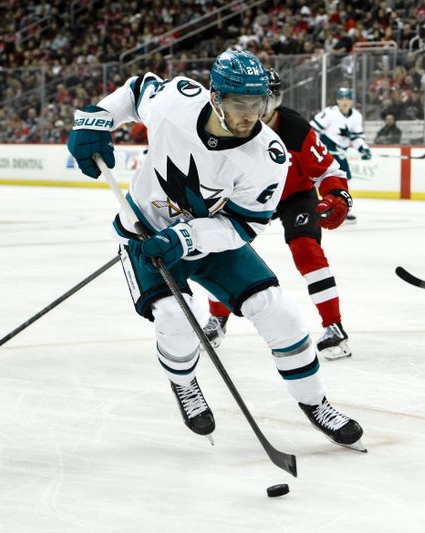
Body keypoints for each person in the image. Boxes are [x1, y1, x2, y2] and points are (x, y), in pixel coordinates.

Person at [66, 50, 364, 450]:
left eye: (257, 105)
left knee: (281, 314)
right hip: (144, 232)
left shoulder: (268, 155)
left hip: (211, 236)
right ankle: (185, 384)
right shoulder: (176, 100)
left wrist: (187, 238)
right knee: (175, 320)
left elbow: (244, 225)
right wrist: (97, 119)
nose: (250, 115)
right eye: (240, 104)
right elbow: (136, 92)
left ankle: (317, 403)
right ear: (216, 98)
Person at [204, 68, 354, 360]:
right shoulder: (227, 126)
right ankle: (217, 319)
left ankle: (334, 325)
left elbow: (328, 171)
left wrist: (337, 195)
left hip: (293, 196)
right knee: (219, 247)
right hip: (247, 197)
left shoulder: (295, 128)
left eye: (261, 101)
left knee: (306, 248)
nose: (253, 112)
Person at [310, 87, 372, 222]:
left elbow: (356, 137)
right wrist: (314, 147)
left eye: (347, 99)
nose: (344, 102)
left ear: (351, 101)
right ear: (337, 100)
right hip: (326, 150)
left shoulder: (356, 116)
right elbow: (311, 129)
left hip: (341, 152)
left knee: (345, 178)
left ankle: (341, 207)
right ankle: (321, 207)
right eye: (341, 98)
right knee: (324, 179)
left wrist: (363, 148)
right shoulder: (329, 113)